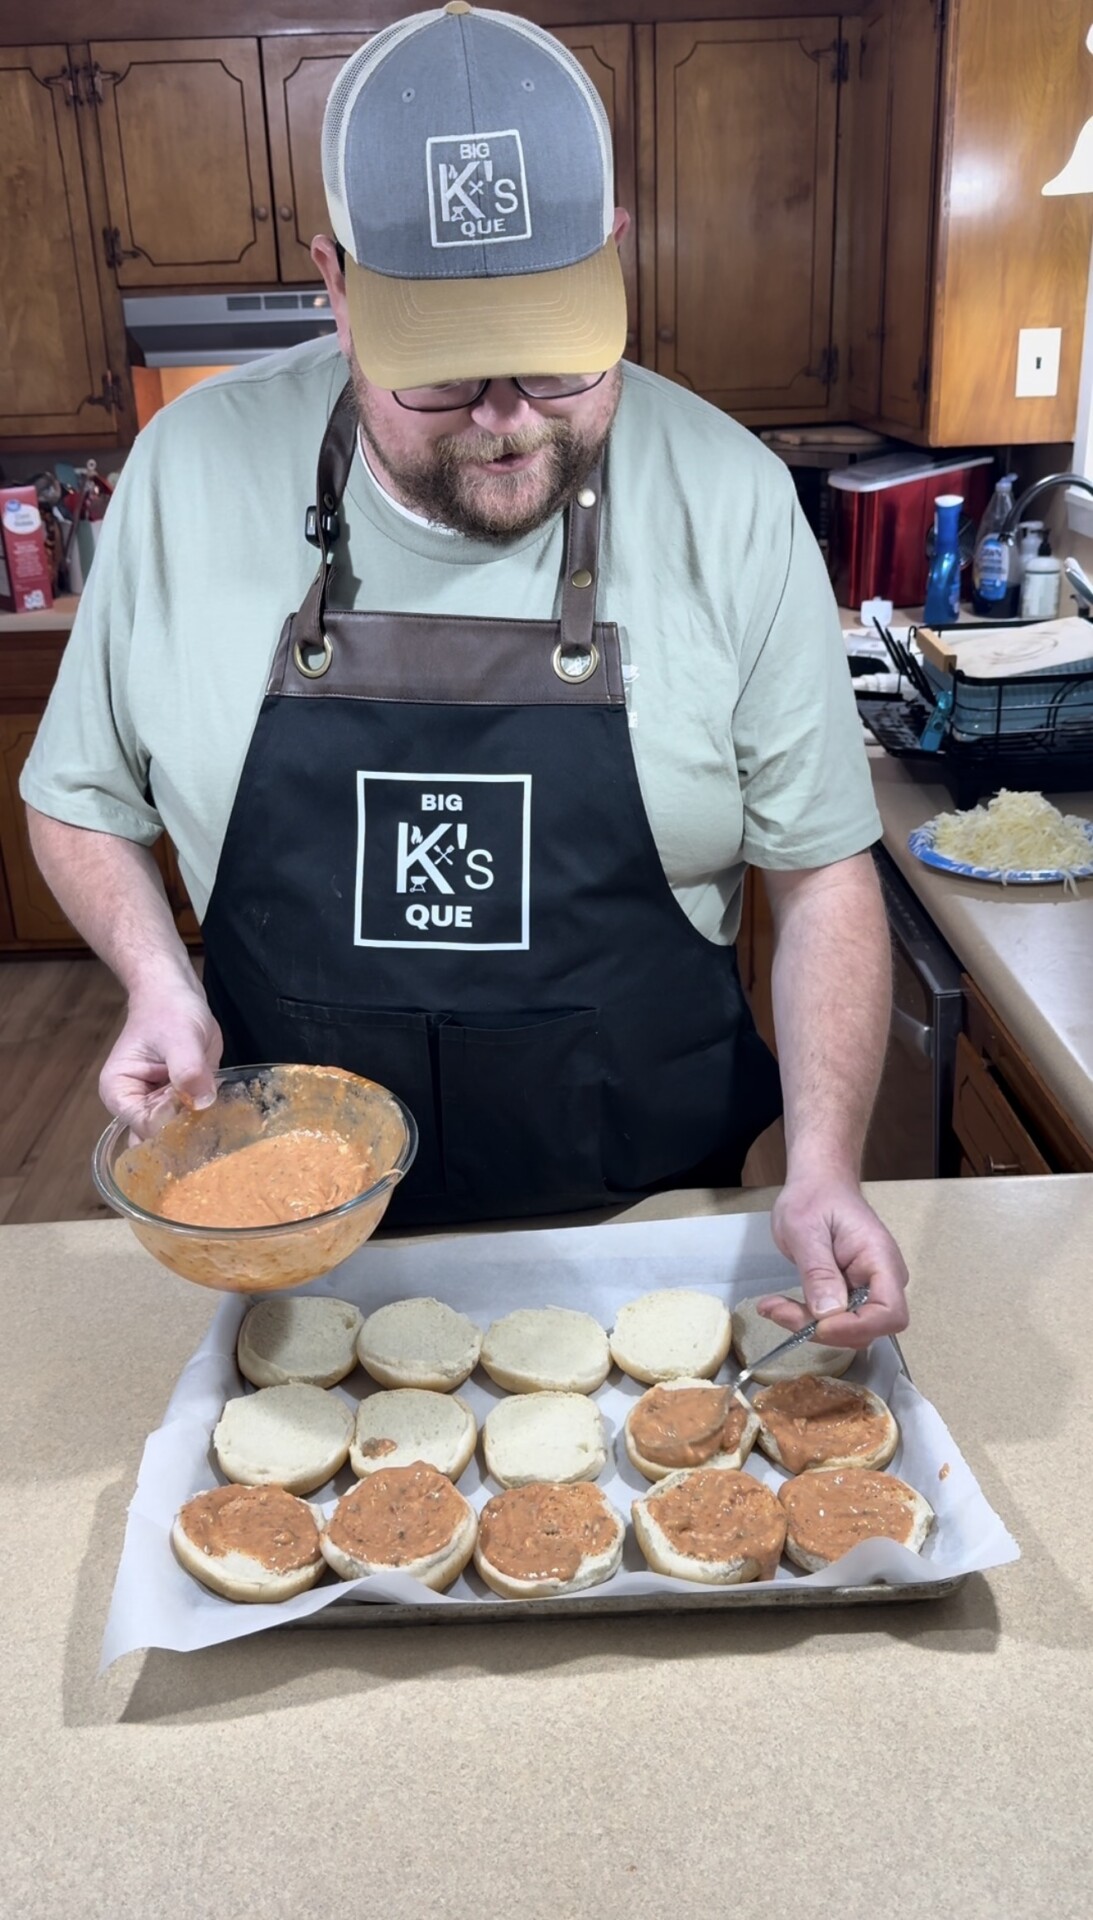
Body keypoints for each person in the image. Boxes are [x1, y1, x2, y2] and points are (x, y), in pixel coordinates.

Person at [22, 3, 907, 1348]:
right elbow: (78, 797)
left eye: (553, 356)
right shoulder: (186, 476)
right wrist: (154, 976)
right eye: (439, 374)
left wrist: (828, 1163)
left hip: (651, 1239)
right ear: (335, 289)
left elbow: (823, 870)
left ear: (614, 259)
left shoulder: (729, 498)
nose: (506, 418)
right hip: (297, 1244)